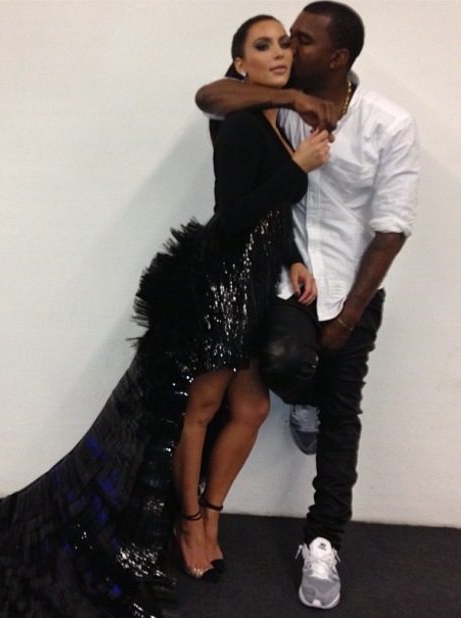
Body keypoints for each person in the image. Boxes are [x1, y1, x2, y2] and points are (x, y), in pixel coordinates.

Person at [0, 15, 328, 618]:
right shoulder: (244, 124)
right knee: (198, 410)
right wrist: (298, 169)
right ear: (240, 63)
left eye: (283, 45)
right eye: (262, 45)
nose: (278, 53)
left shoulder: (274, 126)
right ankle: (191, 528)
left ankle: (207, 513)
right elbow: (233, 217)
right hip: (223, 285)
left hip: (254, 287)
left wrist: (296, 259)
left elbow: (269, 218)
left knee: (251, 406)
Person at [195, 1, 419, 610]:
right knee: (285, 365)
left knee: (343, 413)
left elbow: (392, 228)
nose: (288, 48)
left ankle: (323, 540)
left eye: (301, 40)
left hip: (352, 286)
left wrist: (348, 317)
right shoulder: (278, 99)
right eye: (282, 40)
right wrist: (293, 101)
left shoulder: (389, 123)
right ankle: (305, 400)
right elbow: (210, 96)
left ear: (338, 57)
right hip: (288, 280)